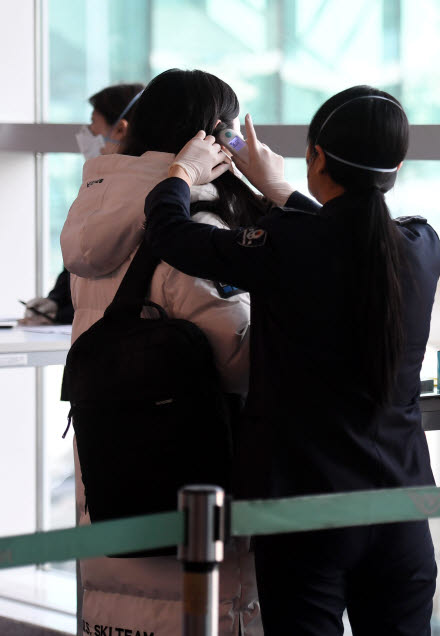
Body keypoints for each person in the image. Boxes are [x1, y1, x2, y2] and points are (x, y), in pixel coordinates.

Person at [142, 85, 440, 636]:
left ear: (317, 157)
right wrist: (279, 188)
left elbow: (172, 235)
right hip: (402, 507)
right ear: (396, 166)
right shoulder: (423, 246)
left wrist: (182, 173)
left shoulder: (287, 244)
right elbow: (345, 239)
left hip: (305, 509)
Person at [61, 69, 267, 636]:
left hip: (111, 470)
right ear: (214, 139)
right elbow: (239, 360)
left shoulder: (94, 219)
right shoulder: (192, 230)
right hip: (189, 481)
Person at [20, 83, 144, 326]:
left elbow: (102, 262)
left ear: (120, 128)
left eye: (93, 122)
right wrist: (56, 300)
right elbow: (80, 251)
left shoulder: (131, 192)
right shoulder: (101, 182)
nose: (87, 132)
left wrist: (61, 313)